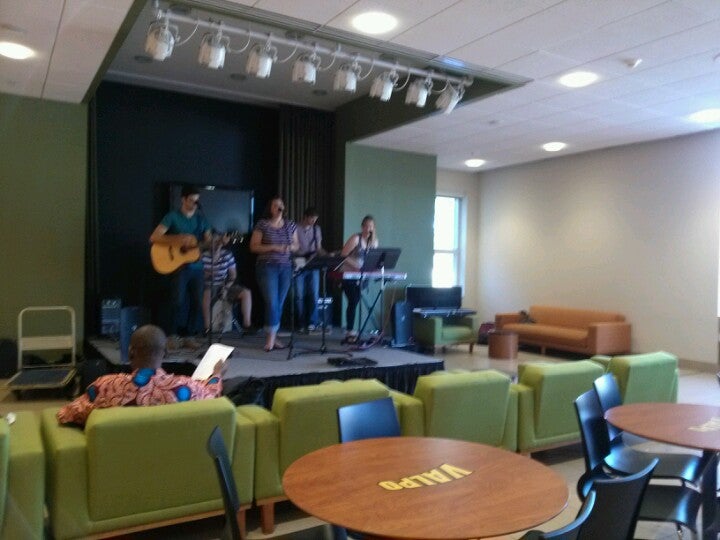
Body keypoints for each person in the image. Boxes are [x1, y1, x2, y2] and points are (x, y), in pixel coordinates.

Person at [57, 325, 223, 426]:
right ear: (165, 353)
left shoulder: (105, 386)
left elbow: (68, 413)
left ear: (131, 352)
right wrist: (216, 374)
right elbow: (212, 393)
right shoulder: (185, 388)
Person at [149, 185, 211, 344]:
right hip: (179, 267)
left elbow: (208, 241)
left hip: (197, 267)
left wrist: (217, 242)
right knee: (177, 301)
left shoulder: (201, 219)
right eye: (191, 200)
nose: (194, 204)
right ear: (183, 199)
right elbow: (154, 237)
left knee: (197, 302)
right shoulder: (172, 216)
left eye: (197, 201)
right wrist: (178, 238)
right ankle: (171, 335)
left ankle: (189, 336)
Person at [250, 197, 299, 352]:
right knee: (272, 302)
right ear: (270, 208)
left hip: (286, 267)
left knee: (279, 303)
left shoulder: (290, 225)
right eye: (275, 205)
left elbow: (296, 245)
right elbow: (254, 246)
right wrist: (274, 247)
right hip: (267, 266)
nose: (279, 207)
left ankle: (273, 336)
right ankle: (271, 339)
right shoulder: (262, 224)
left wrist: (289, 247)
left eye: (281, 205)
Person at [201, 232, 254, 334]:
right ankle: (207, 327)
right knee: (207, 293)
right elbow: (201, 275)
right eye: (214, 242)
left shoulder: (227, 255)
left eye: (218, 242)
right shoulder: (203, 256)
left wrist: (226, 287)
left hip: (224, 284)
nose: (216, 245)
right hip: (209, 285)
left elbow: (233, 275)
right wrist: (209, 272)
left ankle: (247, 324)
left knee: (246, 293)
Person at [340, 215, 378, 342]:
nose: (369, 229)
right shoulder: (356, 239)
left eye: (371, 226)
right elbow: (343, 255)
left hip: (362, 277)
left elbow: (374, 259)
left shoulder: (374, 242)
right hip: (349, 275)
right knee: (353, 300)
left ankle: (352, 330)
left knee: (355, 301)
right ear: (362, 227)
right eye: (366, 226)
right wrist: (356, 266)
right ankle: (349, 330)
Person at [293, 207, 327, 333]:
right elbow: (293, 247)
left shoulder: (316, 229)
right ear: (305, 217)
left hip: (313, 264)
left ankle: (312, 322)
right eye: (312, 218)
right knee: (299, 295)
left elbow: (319, 247)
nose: (314, 221)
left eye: (315, 219)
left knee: (314, 294)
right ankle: (300, 323)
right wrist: (301, 254)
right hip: (299, 263)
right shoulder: (295, 228)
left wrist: (327, 255)